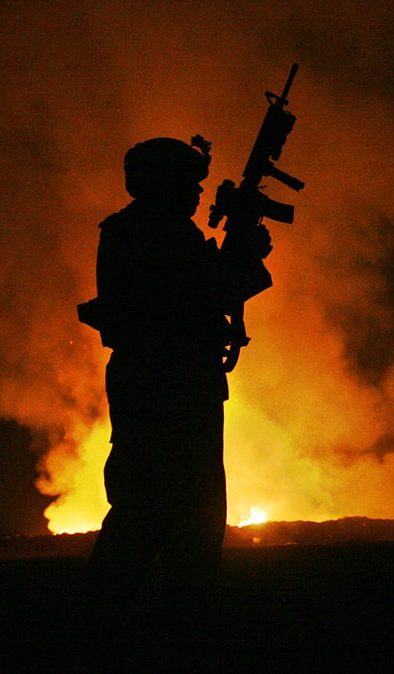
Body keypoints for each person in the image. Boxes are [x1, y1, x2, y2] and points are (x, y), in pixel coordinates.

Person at [79, 137, 272, 629]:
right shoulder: (157, 233)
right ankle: (166, 623)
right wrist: (247, 254)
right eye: (190, 183)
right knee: (177, 511)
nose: (197, 194)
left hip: (161, 381)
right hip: (171, 385)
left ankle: (120, 620)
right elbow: (203, 292)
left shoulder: (141, 230)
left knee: (154, 509)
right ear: (163, 185)